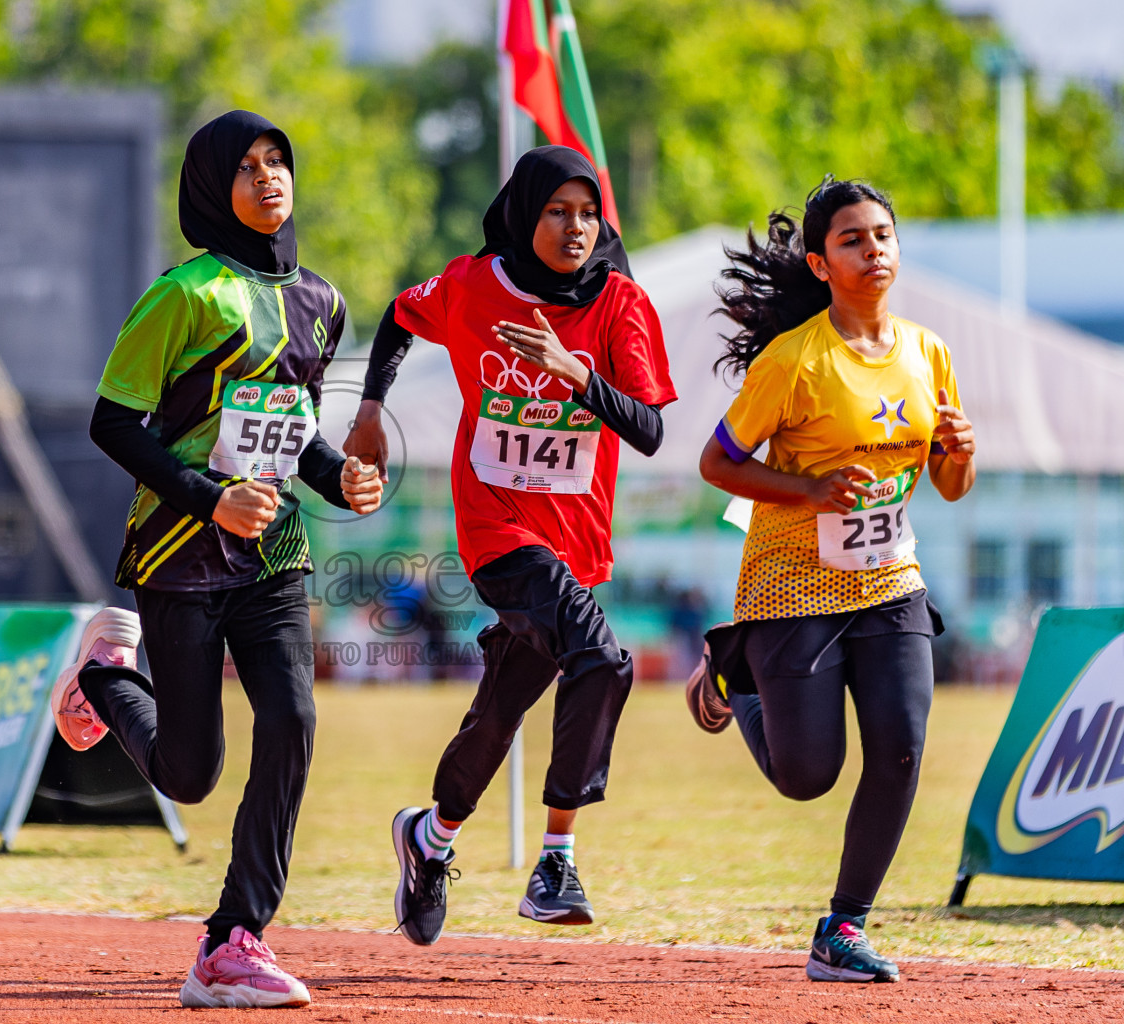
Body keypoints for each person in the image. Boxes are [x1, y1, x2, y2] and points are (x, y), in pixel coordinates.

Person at [48, 110, 382, 1010]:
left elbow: (294, 431)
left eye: (279, 160)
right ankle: (107, 677)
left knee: (294, 720)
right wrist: (210, 498)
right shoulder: (183, 295)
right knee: (190, 773)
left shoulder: (322, 300)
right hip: (180, 548)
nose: (269, 177)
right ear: (210, 189)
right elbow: (112, 422)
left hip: (273, 551)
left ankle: (235, 940)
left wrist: (337, 477)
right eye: (247, 167)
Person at [344, 146, 676, 944]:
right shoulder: (472, 285)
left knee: (499, 716)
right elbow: (398, 314)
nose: (575, 227)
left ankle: (430, 837)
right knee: (604, 658)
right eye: (557, 211)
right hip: (496, 530)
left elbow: (652, 430)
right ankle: (557, 859)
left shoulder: (620, 305)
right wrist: (368, 408)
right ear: (525, 216)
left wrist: (575, 376)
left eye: (588, 213)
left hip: (574, 540)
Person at [687, 177, 976, 983]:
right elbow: (716, 463)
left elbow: (950, 486)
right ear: (819, 262)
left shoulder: (929, 352)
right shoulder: (793, 361)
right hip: (793, 584)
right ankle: (729, 676)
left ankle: (841, 927)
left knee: (902, 750)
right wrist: (810, 490)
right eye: (852, 239)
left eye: (882, 234)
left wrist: (961, 450)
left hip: (890, 579)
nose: (873, 249)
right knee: (807, 775)